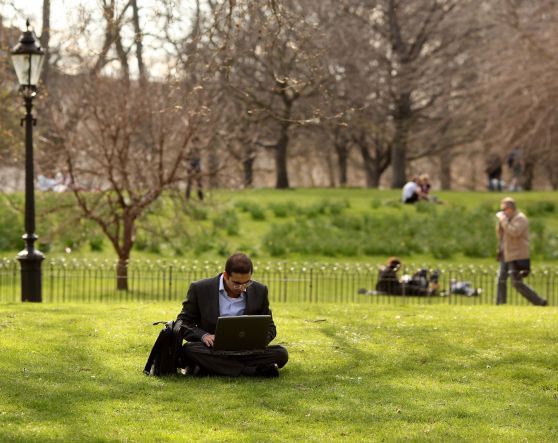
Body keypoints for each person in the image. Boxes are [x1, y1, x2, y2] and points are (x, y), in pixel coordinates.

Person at [176, 252, 289, 377]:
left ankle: (212, 367)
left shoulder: (260, 290)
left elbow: (270, 327)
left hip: (247, 351)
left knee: (281, 353)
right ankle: (250, 370)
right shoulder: (200, 288)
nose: (242, 288)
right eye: (236, 283)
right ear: (225, 275)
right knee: (189, 350)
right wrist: (204, 336)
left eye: (246, 282)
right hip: (212, 349)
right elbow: (182, 323)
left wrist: (258, 342)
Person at [496, 197, 547, 306]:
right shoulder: (507, 220)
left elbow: (515, 232)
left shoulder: (520, 218)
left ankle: (540, 302)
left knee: (517, 283)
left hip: (517, 255)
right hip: (506, 254)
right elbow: (502, 236)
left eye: (505, 209)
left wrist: (503, 220)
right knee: (501, 279)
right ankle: (500, 304)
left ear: (511, 208)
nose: (503, 212)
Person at [375, 257, 439, 296]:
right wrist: (401, 282)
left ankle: (427, 292)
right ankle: (427, 292)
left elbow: (392, 281)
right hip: (390, 289)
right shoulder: (389, 271)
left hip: (389, 288)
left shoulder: (387, 270)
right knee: (410, 288)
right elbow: (392, 282)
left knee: (409, 287)